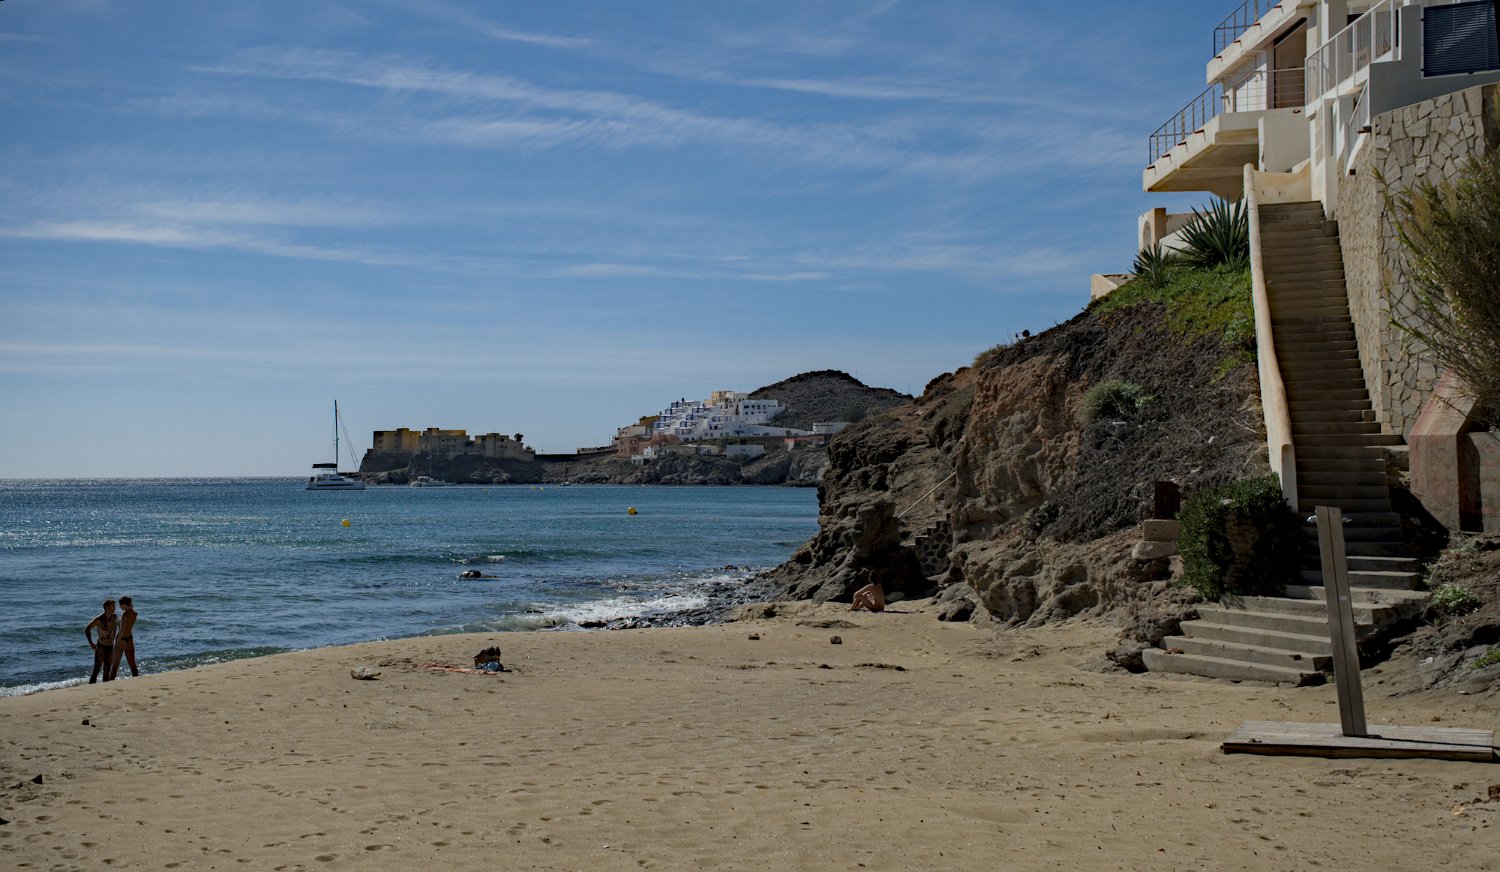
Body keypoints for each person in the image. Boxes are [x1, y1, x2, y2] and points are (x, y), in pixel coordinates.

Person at [84, 599, 118, 684]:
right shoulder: (99, 619)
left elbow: (115, 628)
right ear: (107, 607)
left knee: (107, 670)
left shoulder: (115, 617)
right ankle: (91, 689)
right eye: (113, 606)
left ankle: (104, 689)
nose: (115, 608)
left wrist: (115, 639)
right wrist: (91, 643)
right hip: (101, 647)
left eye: (114, 606)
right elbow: (87, 628)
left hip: (110, 647)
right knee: (97, 669)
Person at [111, 596, 139, 680]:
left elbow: (122, 629)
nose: (120, 607)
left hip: (122, 640)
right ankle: (136, 681)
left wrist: (117, 640)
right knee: (132, 664)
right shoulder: (134, 613)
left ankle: (109, 683)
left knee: (115, 665)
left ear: (124, 605)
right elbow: (124, 624)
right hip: (130, 639)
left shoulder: (124, 614)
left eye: (120, 605)